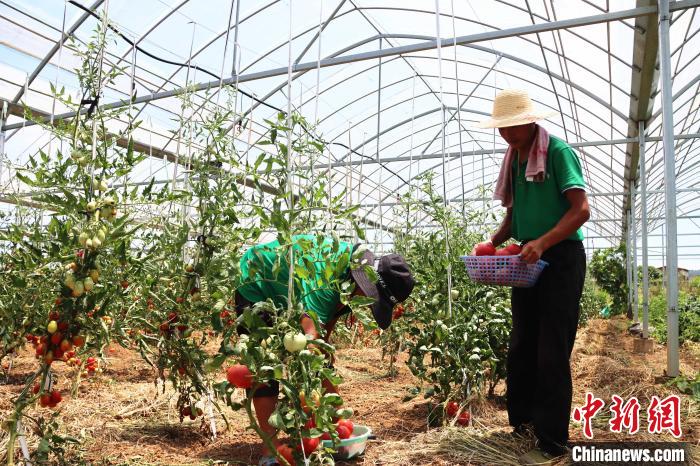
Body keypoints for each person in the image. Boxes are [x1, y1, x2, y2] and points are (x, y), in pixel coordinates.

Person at [472, 89, 590, 465]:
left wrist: (543, 242)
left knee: (552, 350)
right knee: (522, 345)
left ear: (529, 120)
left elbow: (581, 210)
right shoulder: (515, 158)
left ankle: (552, 442)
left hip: (561, 256)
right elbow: (514, 216)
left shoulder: (556, 152)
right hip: (527, 256)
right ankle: (522, 425)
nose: (504, 133)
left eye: (510, 125)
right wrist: (491, 242)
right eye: (500, 127)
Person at [235, 234, 415, 466]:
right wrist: (316, 400)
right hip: (257, 279)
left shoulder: (348, 282)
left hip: (289, 287)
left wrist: (338, 422)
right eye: (374, 297)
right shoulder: (327, 283)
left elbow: (324, 332)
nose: (370, 303)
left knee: (318, 359)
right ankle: (269, 450)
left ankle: (330, 426)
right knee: (263, 367)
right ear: (366, 283)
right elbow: (310, 339)